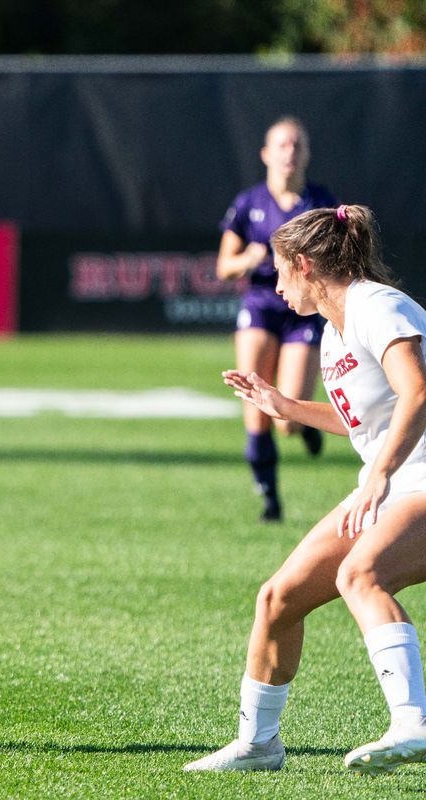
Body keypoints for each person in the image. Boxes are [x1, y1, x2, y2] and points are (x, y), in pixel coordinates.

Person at [185, 204, 426, 775]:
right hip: (394, 480)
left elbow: (416, 393)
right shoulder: (333, 329)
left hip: (412, 477)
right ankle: (258, 745)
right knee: (277, 598)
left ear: (303, 264)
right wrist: (285, 406)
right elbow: (363, 419)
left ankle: (411, 723)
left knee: (359, 574)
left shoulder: (377, 305)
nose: (274, 284)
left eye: (278, 272)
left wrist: (380, 476)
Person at [217, 117, 337, 522]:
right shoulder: (249, 203)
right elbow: (224, 266)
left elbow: (337, 260)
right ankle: (270, 500)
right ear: (266, 154)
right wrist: (247, 259)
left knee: (287, 418)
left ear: (306, 154)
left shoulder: (320, 202)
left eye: (296, 145)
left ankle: (307, 426)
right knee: (255, 405)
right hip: (262, 304)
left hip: (302, 308)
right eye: (282, 145)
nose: (289, 152)